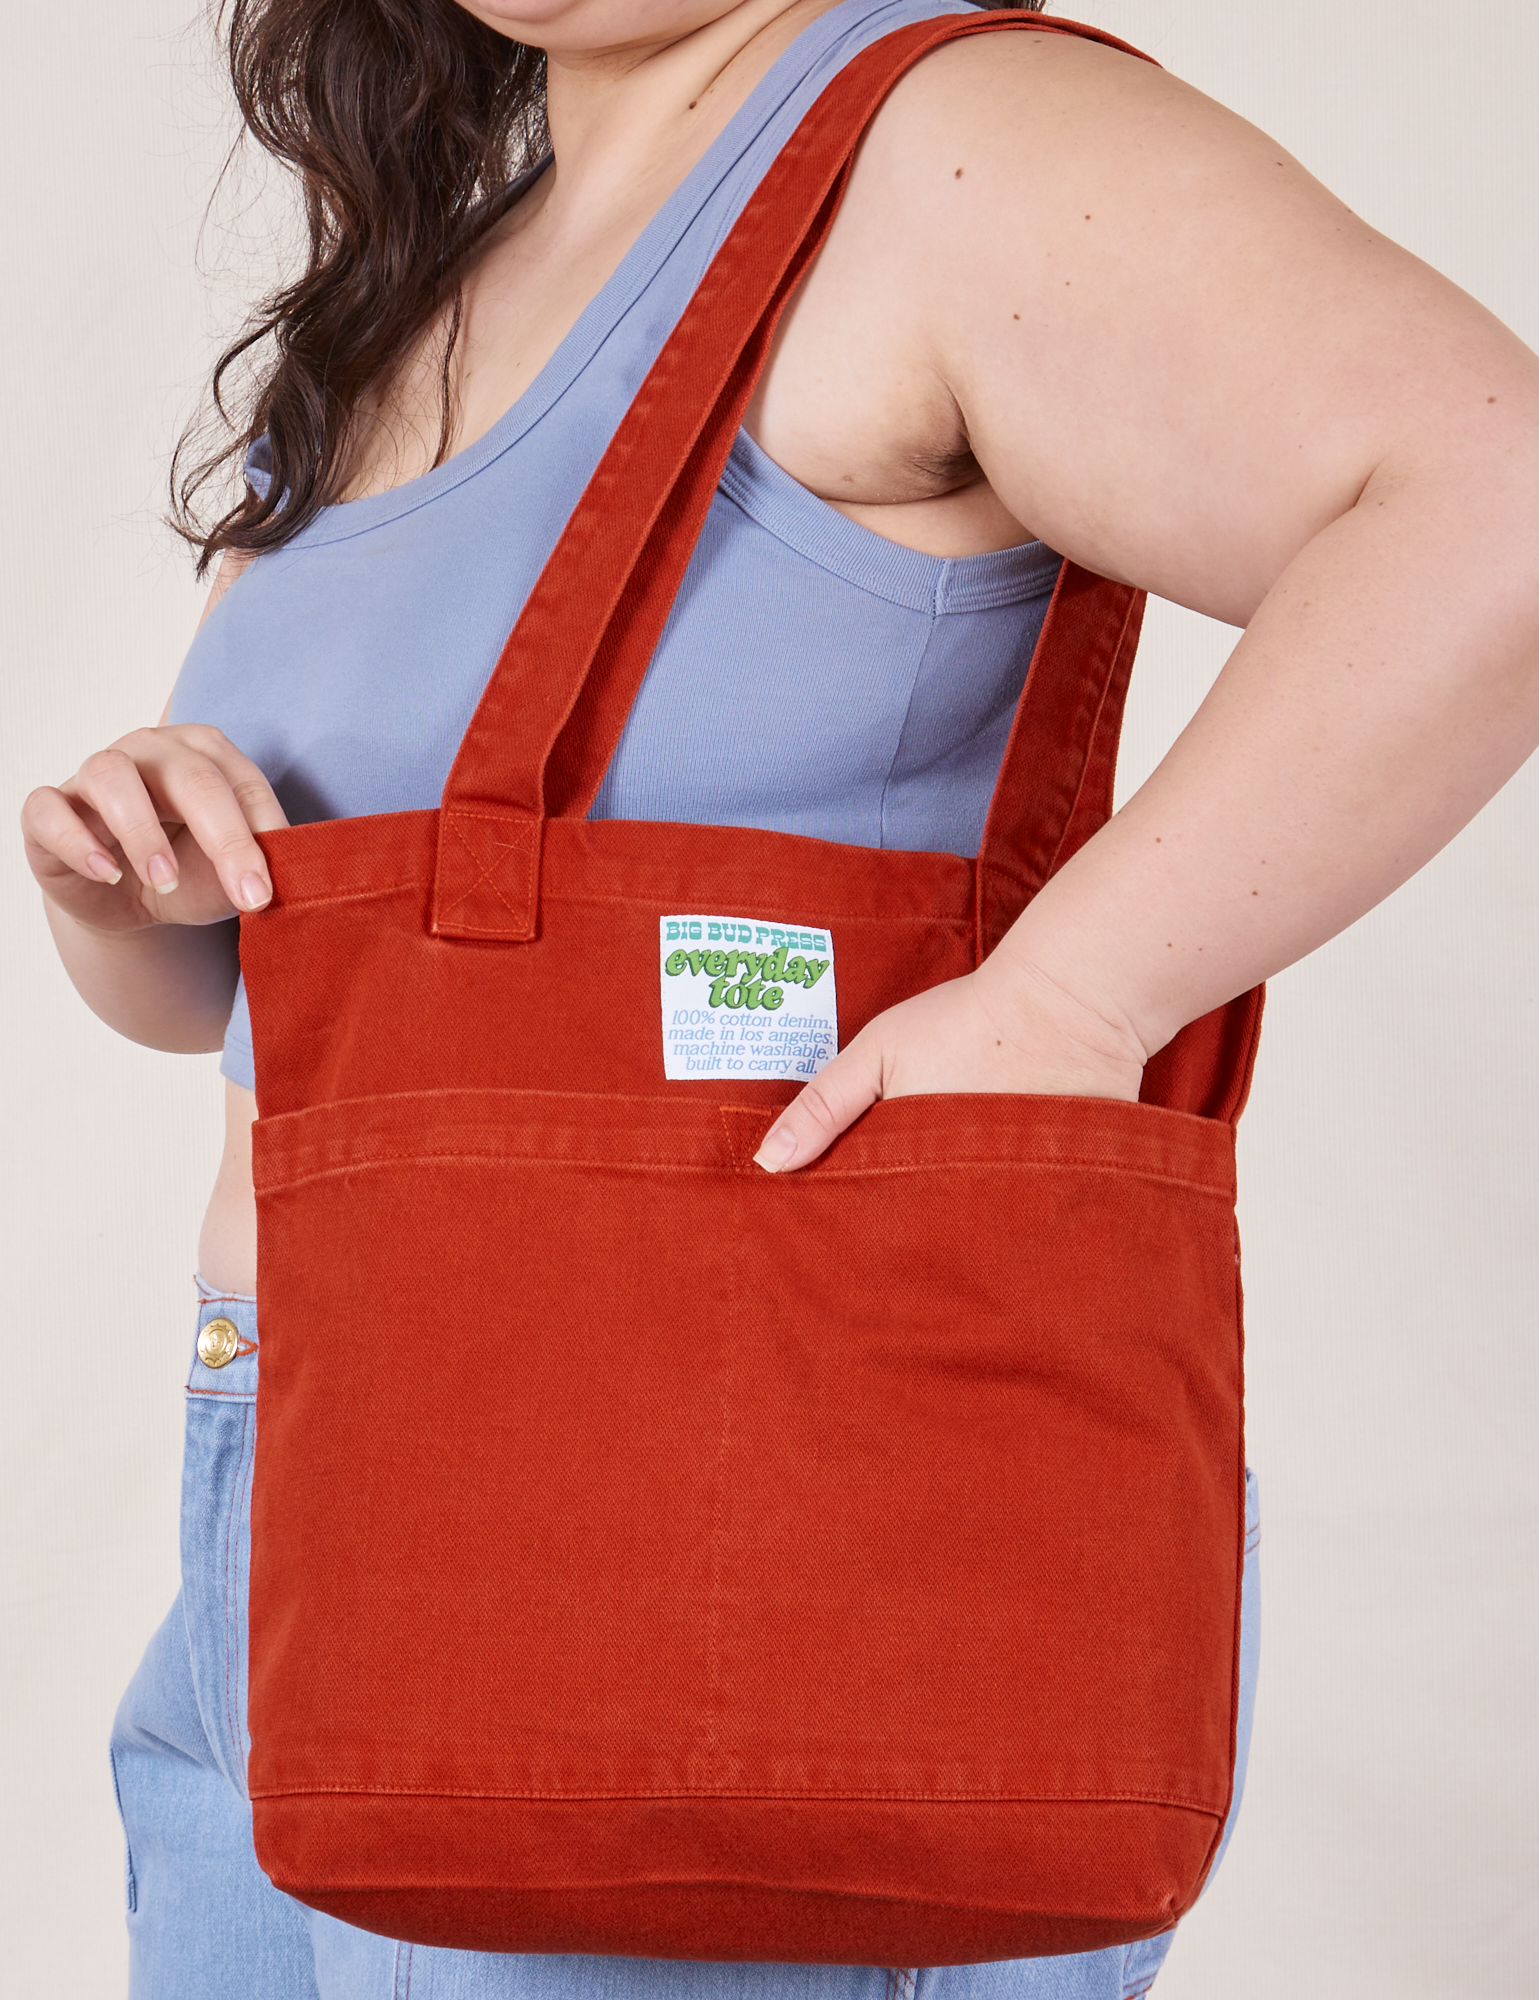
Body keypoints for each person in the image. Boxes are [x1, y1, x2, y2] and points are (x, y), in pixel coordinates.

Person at [18, 0, 1539, 1994]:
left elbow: (1488, 499)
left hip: (706, 1534)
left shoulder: (951, 146)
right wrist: (135, 892)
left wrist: (1073, 999)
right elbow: (274, 1012)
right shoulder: (442, 266)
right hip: (288, 1526)